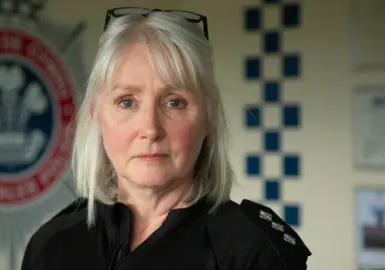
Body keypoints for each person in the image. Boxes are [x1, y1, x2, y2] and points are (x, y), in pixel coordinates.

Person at [20, 7, 311, 270]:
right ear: (96, 115)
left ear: (208, 117)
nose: (150, 128)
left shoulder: (254, 252)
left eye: (174, 102)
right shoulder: (52, 247)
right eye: (126, 102)